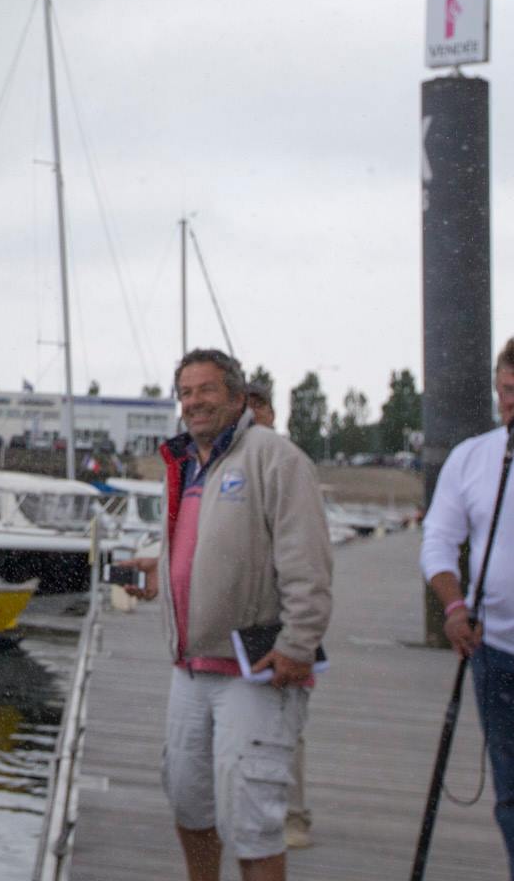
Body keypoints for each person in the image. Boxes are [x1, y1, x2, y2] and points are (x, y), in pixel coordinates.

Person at [128, 349, 332, 881]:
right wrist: (164, 570)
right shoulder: (186, 464)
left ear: (238, 398)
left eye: (207, 390)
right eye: (186, 393)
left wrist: (298, 644)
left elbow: (307, 561)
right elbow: (212, 548)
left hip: (255, 670)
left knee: (254, 822)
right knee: (189, 806)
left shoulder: (275, 457)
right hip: (189, 669)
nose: (195, 402)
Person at [421, 338, 514, 874]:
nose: (511, 403)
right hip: (496, 650)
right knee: (511, 791)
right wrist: (454, 607)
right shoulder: (474, 457)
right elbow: (438, 539)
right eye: (506, 391)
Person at [245, 381, 314, 850]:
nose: (252, 422)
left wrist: (301, 633)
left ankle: (295, 816)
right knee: (242, 720)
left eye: (258, 411)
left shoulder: (289, 463)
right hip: (240, 615)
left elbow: (306, 553)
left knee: (286, 721)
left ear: (270, 413)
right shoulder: (228, 466)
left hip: (283, 614)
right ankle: (248, 809)